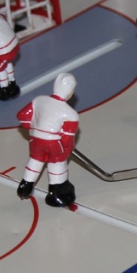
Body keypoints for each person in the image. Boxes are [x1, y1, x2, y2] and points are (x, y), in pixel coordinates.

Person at [17, 73, 80, 208]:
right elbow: (67, 139)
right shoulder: (70, 114)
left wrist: (34, 130)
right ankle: (57, 193)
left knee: (35, 161)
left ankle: (25, 186)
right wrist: (67, 150)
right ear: (70, 91)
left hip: (35, 140)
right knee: (57, 164)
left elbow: (22, 116)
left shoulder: (38, 100)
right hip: (54, 143)